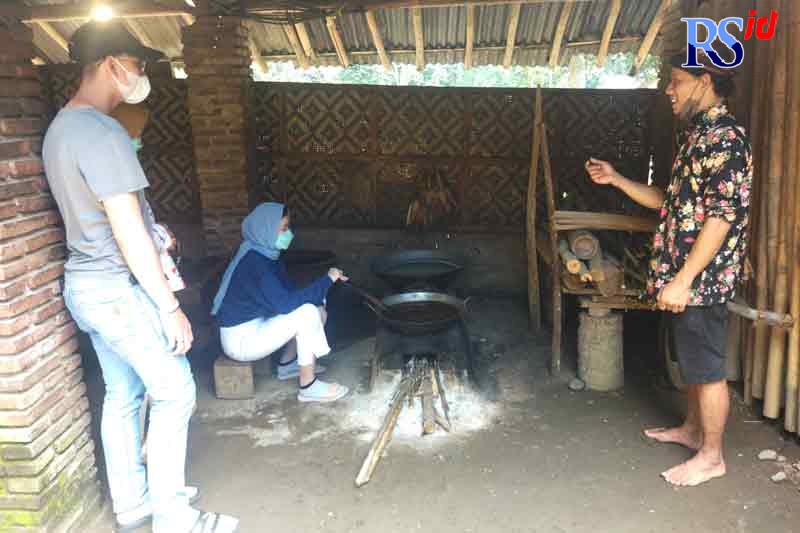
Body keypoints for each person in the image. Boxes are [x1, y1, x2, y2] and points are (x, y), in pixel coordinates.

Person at [42, 20, 237, 532]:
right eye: (138, 65)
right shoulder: (102, 132)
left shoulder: (61, 129)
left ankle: (132, 503)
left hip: (85, 285)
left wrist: (152, 234)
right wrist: (170, 307)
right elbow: (128, 233)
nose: (142, 75)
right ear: (112, 65)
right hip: (118, 289)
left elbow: (105, 219)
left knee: (123, 394)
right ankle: (176, 519)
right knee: (176, 392)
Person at [585, 51, 752, 487]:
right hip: (686, 281)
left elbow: (720, 218)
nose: (668, 91)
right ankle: (694, 430)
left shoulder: (726, 141)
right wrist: (617, 179)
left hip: (701, 281)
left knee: (709, 369)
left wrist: (683, 279)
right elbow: (669, 202)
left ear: (705, 80)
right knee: (694, 363)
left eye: (676, 81)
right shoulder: (697, 138)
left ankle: (712, 456)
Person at [212, 202, 350, 403]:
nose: (289, 233)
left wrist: (324, 289)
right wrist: (327, 280)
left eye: (288, 227)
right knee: (308, 313)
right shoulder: (255, 263)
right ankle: (308, 386)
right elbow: (286, 304)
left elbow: (290, 294)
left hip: (255, 325)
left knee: (315, 308)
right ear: (266, 229)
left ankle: (288, 365)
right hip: (240, 341)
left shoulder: (267, 255)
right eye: (284, 229)